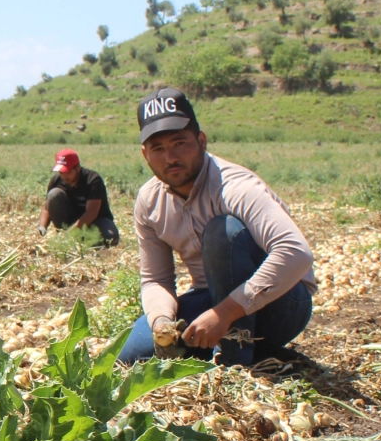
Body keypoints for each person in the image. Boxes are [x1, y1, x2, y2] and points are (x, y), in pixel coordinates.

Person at [118, 87, 315, 368]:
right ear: (145, 155)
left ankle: (235, 362)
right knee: (131, 357)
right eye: (158, 149)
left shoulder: (234, 186)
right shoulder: (150, 201)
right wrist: (163, 322)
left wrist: (223, 314)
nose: (170, 157)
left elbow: (296, 253)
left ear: (201, 140)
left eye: (179, 143)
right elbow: (156, 279)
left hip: (282, 302)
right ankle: (260, 352)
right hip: (213, 297)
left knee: (224, 231)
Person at [38, 148, 120, 246]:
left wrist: (70, 234)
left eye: (68, 172)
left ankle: (79, 238)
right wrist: (42, 227)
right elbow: (46, 208)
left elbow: (92, 213)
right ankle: (65, 234)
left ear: (78, 168)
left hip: (96, 220)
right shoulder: (56, 181)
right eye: (61, 172)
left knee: (110, 237)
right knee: (54, 194)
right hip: (70, 221)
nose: (64, 176)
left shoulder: (92, 180)